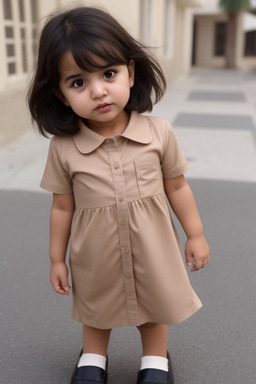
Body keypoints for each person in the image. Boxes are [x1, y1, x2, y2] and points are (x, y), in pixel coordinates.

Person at [28, 6, 210, 384]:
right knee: (97, 304)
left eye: (108, 74)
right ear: (61, 95)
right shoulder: (64, 148)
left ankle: (155, 360)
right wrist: (55, 258)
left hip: (153, 243)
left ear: (130, 71)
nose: (98, 91)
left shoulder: (159, 133)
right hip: (95, 249)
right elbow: (62, 206)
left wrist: (195, 233)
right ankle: (93, 357)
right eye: (77, 82)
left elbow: (177, 185)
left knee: (154, 301)